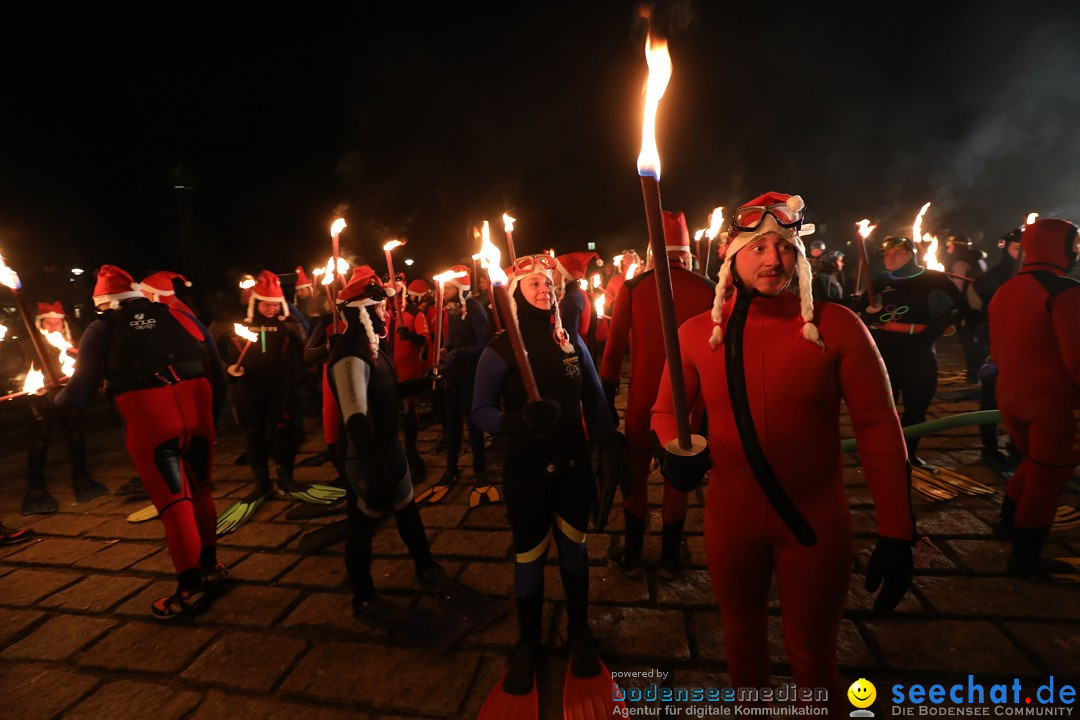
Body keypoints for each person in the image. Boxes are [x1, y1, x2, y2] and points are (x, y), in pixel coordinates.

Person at [651, 193, 914, 717]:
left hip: (814, 523)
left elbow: (877, 426)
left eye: (785, 247)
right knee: (742, 643)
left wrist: (897, 529)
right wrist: (671, 451)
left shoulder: (837, 326)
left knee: (812, 656)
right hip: (732, 521)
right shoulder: (694, 334)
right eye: (758, 248)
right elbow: (664, 413)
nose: (773, 260)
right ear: (730, 256)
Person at [472, 254, 626, 718]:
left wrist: (610, 438)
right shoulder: (499, 350)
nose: (546, 289)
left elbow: (596, 398)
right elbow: (477, 412)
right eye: (535, 282)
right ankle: (528, 642)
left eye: (550, 282)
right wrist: (514, 420)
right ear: (516, 291)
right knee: (531, 555)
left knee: (575, 550)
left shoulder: (570, 339)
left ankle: (579, 633)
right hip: (527, 473)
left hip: (574, 466)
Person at [328, 267, 503, 648]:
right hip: (365, 456)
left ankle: (426, 566)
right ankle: (364, 594)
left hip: (389, 449)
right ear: (362, 312)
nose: (387, 313)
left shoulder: (375, 346)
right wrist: (374, 470)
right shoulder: (349, 355)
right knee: (363, 527)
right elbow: (355, 415)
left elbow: (387, 392)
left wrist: (424, 384)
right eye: (380, 308)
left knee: (408, 512)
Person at [56, 265, 228, 618]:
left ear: (103, 303)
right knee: (201, 491)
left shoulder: (101, 327)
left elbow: (81, 392)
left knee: (174, 504)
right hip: (199, 416)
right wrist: (214, 417)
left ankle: (190, 590)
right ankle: (211, 568)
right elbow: (218, 372)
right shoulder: (182, 317)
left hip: (152, 424)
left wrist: (56, 400)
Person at [600, 211, 715, 580]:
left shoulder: (633, 289)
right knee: (676, 475)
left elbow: (614, 350)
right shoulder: (708, 288)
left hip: (643, 399)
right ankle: (669, 557)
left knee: (634, 472)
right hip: (688, 398)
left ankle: (632, 554)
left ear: (652, 252)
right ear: (687, 252)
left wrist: (605, 390)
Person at [989, 218, 1080, 582]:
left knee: (1032, 464)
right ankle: (1025, 557)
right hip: (1055, 405)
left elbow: (995, 352)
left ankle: (1008, 524)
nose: (1076, 252)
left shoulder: (1006, 289)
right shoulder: (1065, 291)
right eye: (1073, 244)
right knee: (1047, 481)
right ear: (1060, 246)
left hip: (1011, 399)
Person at [216, 271, 340, 534]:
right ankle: (261, 484)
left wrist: (327, 348)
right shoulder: (235, 325)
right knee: (253, 433)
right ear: (255, 303)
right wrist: (227, 369)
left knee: (284, 431)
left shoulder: (290, 325)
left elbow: (305, 356)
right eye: (266, 304)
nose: (271, 309)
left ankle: (286, 479)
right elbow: (212, 353)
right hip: (247, 390)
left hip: (281, 390)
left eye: (275, 304)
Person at [861, 236, 963, 466]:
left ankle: (908, 454)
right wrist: (868, 312)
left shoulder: (934, 280)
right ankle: (884, 454)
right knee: (883, 409)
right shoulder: (877, 282)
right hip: (884, 356)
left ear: (911, 254)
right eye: (887, 253)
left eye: (897, 252)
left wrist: (928, 329)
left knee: (916, 407)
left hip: (919, 355)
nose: (891, 257)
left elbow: (957, 310)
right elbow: (858, 315)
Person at [416, 266, 494, 507]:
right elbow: (453, 337)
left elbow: (485, 344)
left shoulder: (475, 309)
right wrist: (447, 348)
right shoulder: (451, 309)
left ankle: (479, 468)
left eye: (449, 287)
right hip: (453, 373)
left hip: (470, 373)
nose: (445, 291)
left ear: (460, 288)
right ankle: (451, 467)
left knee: (472, 421)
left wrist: (459, 352)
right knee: (450, 421)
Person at [21, 301, 106, 515]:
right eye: (48, 322)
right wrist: (27, 383)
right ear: (40, 323)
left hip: (67, 394)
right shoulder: (27, 344)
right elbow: (15, 371)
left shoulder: (70, 345)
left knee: (75, 435)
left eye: (57, 322)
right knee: (39, 441)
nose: (53, 326)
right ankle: (36, 489)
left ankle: (81, 478)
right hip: (39, 398)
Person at [969, 228, 1022, 467]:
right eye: (1017, 249)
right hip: (995, 344)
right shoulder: (991, 278)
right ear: (1007, 249)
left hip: (1024, 346)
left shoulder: (1035, 275)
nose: (1022, 254)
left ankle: (1018, 444)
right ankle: (989, 445)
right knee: (991, 395)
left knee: (1022, 398)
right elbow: (975, 310)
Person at [393, 275, 431, 484]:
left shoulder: (413, 313)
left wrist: (411, 337)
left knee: (409, 415)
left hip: (408, 371)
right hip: (388, 372)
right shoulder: (383, 312)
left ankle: (412, 456)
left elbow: (425, 338)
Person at [554, 252, 599, 341]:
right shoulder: (578, 292)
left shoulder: (571, 299)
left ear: (565, 277)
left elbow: (568, 338)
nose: (550, 276)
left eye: (554, 272)